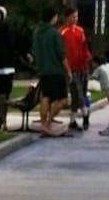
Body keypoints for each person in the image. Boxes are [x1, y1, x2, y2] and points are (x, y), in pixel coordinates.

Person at [31, 7, 71, 137]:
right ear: (52, 17)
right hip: (55, 70)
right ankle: (48, 123)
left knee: (45, 96)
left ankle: (43, 123)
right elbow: (61, 54)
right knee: (63, 99)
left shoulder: (37, 32)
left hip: (43, 69)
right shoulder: (54, 33)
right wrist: (68, 70)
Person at [60, 7, 92, 130]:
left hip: (82, 66)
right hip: (71, 67)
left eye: (77, 16)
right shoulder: (62, 32)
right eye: (73, 16)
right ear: (67, 17)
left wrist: (87, 58)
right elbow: (62, 52)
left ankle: (72, 120)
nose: (76, 19)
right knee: (77, 92)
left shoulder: (80, 30)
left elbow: (84, 47)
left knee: (80, 93)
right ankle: (85, 115)